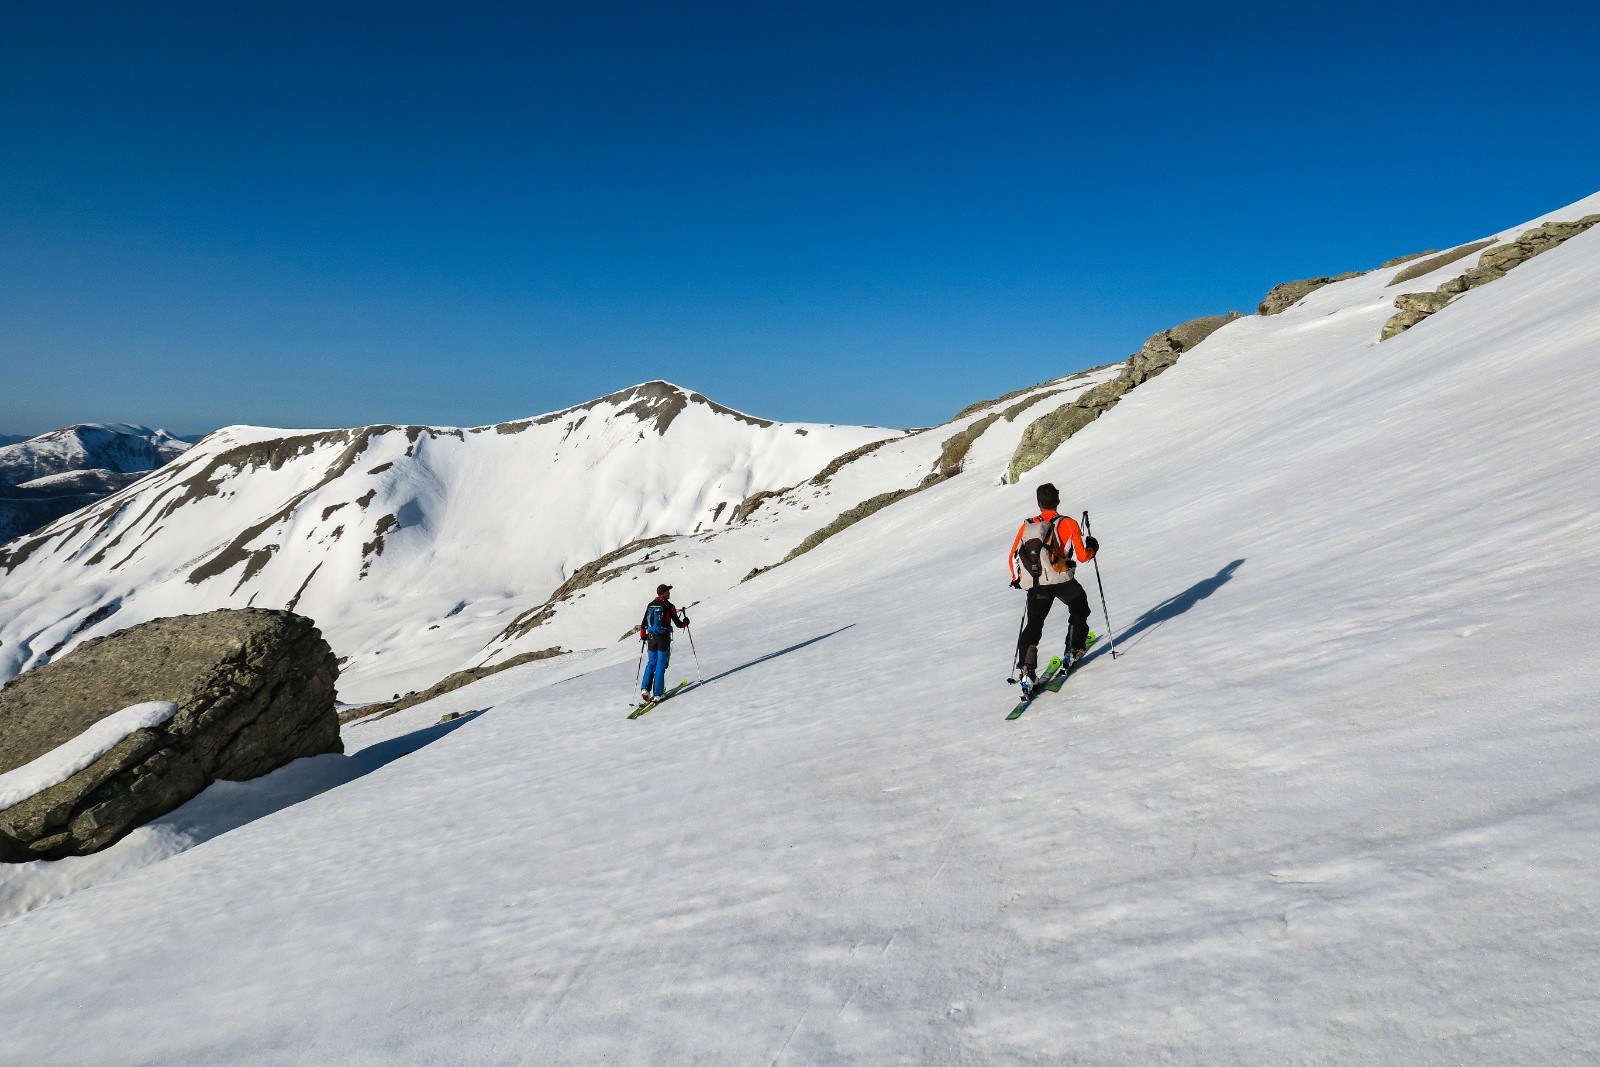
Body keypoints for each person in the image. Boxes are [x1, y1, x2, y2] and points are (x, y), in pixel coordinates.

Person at [1008, 483, 1099, 683]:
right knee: (1080, 609)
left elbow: (1012, 557)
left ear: (1039, 503)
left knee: (1034, 625)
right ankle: (1074, 648)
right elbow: (1083, 557)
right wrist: (1093, 548)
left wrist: (1018, 580)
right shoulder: (1069, 523)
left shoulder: (1028, 526)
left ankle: (1026, 670)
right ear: (1057, 501)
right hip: (1062, 580)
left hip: (1036, 583)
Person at [638, 583, 690, 702]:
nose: (669, 592)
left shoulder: (650, 605)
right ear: (664, 593)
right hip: (663, 639)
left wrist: (643, 635)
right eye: (668, 591)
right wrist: (686, 622)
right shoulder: (668, 606)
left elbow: (643, 623)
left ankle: (645, 689)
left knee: (651, 663)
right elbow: (678, 624)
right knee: (661, 664)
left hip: (651, 638)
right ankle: (658, 693)